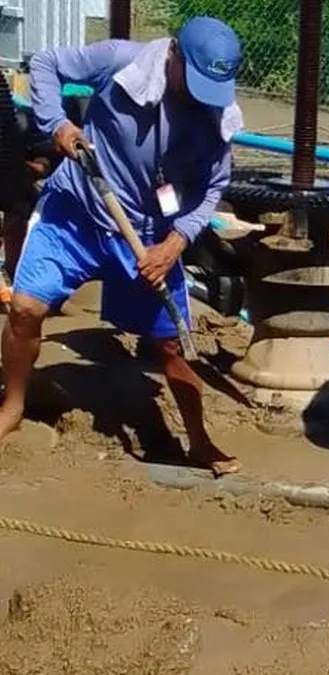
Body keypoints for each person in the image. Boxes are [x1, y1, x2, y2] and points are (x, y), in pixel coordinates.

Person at [0, 17, 244, 476]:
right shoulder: (121, 61)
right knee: (26, 309)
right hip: (75, 209)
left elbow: (211, 190)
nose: (199, 95)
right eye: (193, 80)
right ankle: (12, 406)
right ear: (173, 55)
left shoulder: (217, 119)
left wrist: (174, 244)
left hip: (148, 234)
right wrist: (57, 124)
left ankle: (198, 440)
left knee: (172, 344)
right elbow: (48, 64)